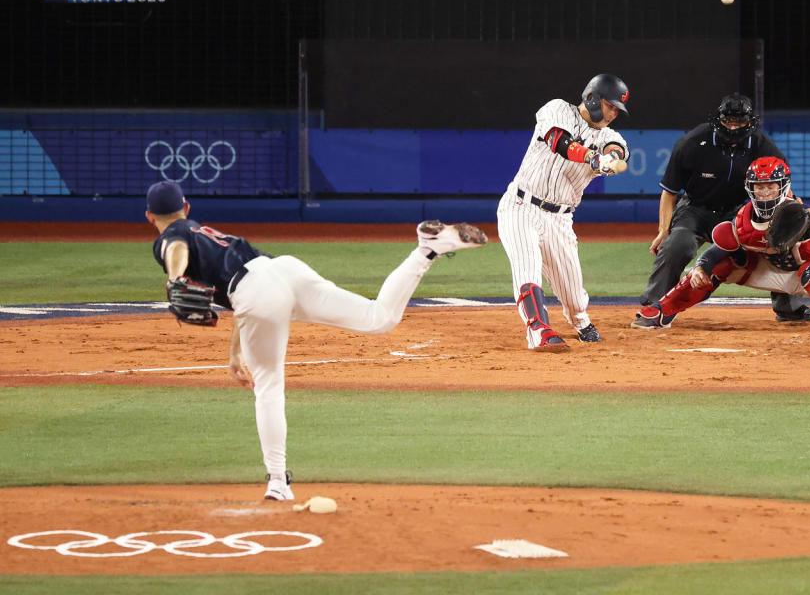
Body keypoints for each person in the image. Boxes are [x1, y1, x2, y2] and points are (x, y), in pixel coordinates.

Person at [145, 180, 487, 500]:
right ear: (186, 207)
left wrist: (175, 278)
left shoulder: (173, 236)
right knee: (378, 317)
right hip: (283, 269)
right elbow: (245, 292)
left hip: (257, 290)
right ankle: (426, 250)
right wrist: (235, 352)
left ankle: (278, 481)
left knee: (268, 386)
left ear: (150, 217)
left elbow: (175, 245)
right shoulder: (204, 232)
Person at [631, 93, 810, 328]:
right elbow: (670, 192)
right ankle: (654, 306)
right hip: (696, 209)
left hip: (740, 212)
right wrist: (663, 231)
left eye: (739, 121)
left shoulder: (763, 147)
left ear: (750, 121)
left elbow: (782, 189)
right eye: (728, 121)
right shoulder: (693, 142)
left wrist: (789, 216)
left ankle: (790, 307)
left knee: (777, 240)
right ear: (718, 119)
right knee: (677, 244)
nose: (733, 126)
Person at [630, 157, 810, 330]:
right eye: (760, 187)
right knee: (718, 265)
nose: (765, 193)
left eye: (771, 187)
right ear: (751, 189)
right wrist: (702, 266)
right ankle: (662, 311)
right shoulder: (743, 218)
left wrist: (809, 220)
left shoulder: (793, 211)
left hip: (809, 273)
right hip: (769, 272)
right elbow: (721, 247)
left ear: (783, 187)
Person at [497, 73, 631, 351]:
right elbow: (559, 142)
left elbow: (617, 151)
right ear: (592, 98)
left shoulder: (609, 135)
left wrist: (613, 158)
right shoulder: (557, 108)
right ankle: (537, 329)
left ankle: (580, 322)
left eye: (618, 109)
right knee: (528, 267)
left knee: (573, 292)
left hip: (560, 218)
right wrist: (593, 157)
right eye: (610, 105)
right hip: (520, 206)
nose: (613, 113)